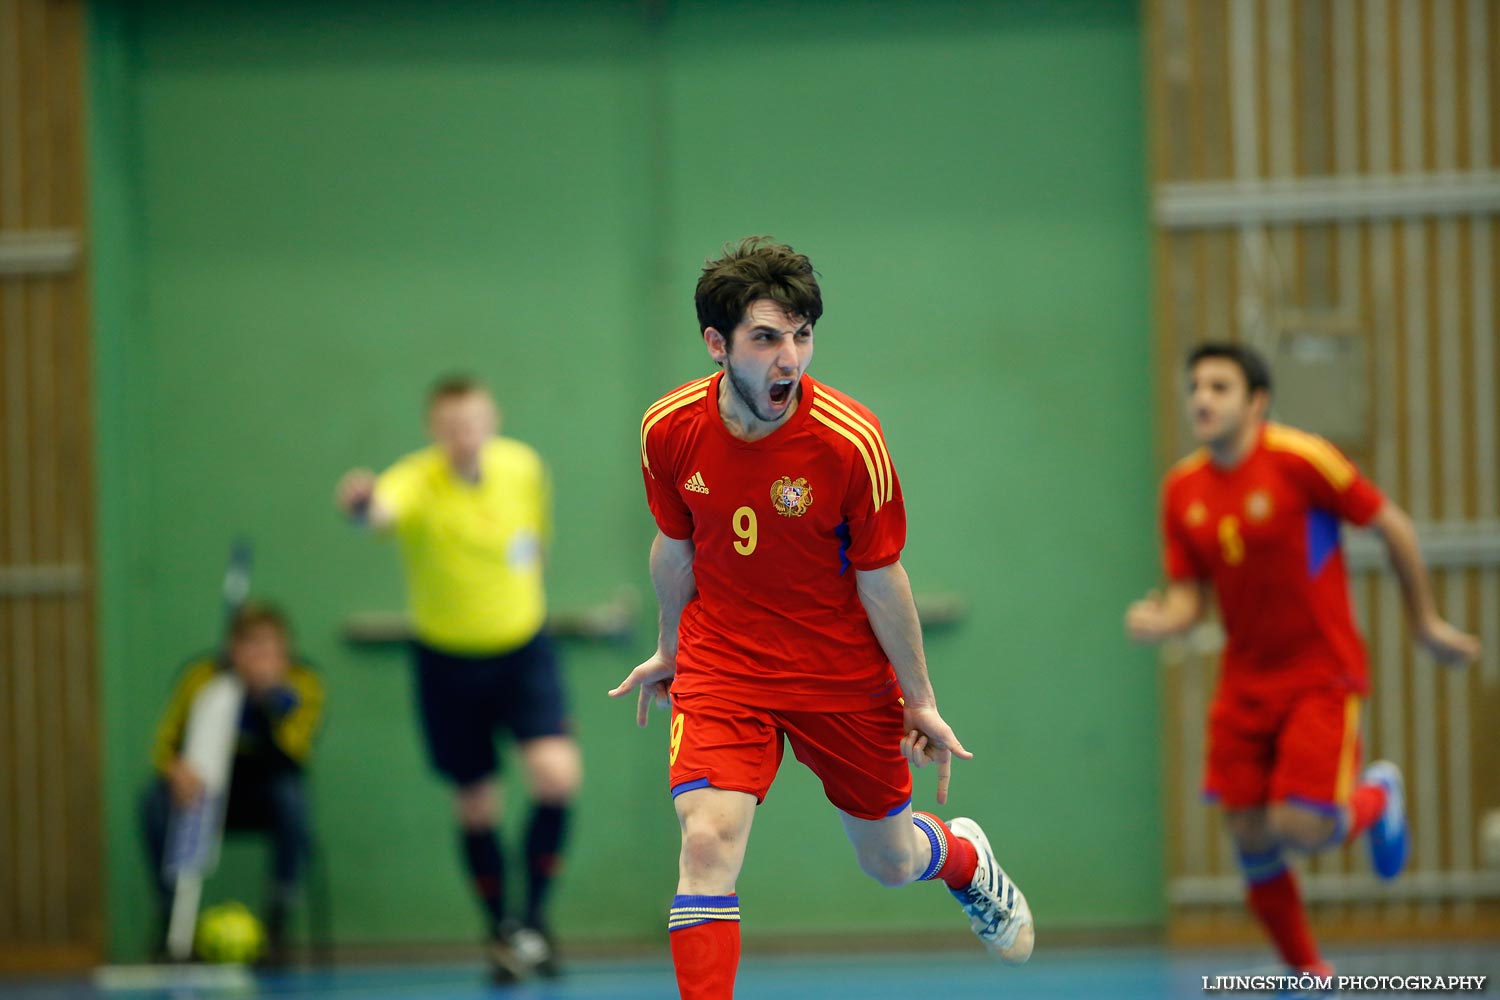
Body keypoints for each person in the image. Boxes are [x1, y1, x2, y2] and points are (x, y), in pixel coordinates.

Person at [610, 237, 1034, 1000]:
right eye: (766, 338)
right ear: (718, 344)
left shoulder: (849, 441)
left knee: (891, 863)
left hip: (836, 669)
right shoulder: (668, 429)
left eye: (802, 335)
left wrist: (921, 699)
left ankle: (964, 858)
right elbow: (675, 550)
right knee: (706, 843)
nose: (790, 359)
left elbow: (881, 578)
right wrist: (670, 648)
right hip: (725, 663)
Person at [1125, 342, 1481, 981]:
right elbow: (1189, 597)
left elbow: (1392, 524)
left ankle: (1376, 797)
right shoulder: (1181, 490)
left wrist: (1424, 622)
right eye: (1196, 386)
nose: (1202, 398)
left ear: (1256, 402)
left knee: (1300, 824)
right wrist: (1162, 621)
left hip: (1320, 672)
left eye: (1220, 387)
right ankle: (1307, 974)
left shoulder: (1301, 460)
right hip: (1244, 681)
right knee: (1249, 833)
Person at [336, 376, 581, 982]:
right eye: (449, 426)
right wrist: (362, 502)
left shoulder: (523, 467)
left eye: (471, 421)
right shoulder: (415, 480)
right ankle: (500, 928)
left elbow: (537, 543)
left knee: (556, 776)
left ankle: (533, 922)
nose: (462, 435)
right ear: (434, 431)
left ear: (491, 418)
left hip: (524, 649)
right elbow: (379, 513)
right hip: (447, 660)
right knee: (477, 804)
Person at [142, 602, 324, 963]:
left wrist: (266, 703)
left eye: (272, 648)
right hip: (205, 788)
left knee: (292, 801)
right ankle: (174, 922)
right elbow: (165, 744)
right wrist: (177, 771)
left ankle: (277, 924)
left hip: (264, 788)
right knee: (153, 803)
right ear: (233, 649)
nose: (263, 657)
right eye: (253, 646)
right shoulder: (201, 677)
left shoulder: (303, 684)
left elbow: (291, 757)